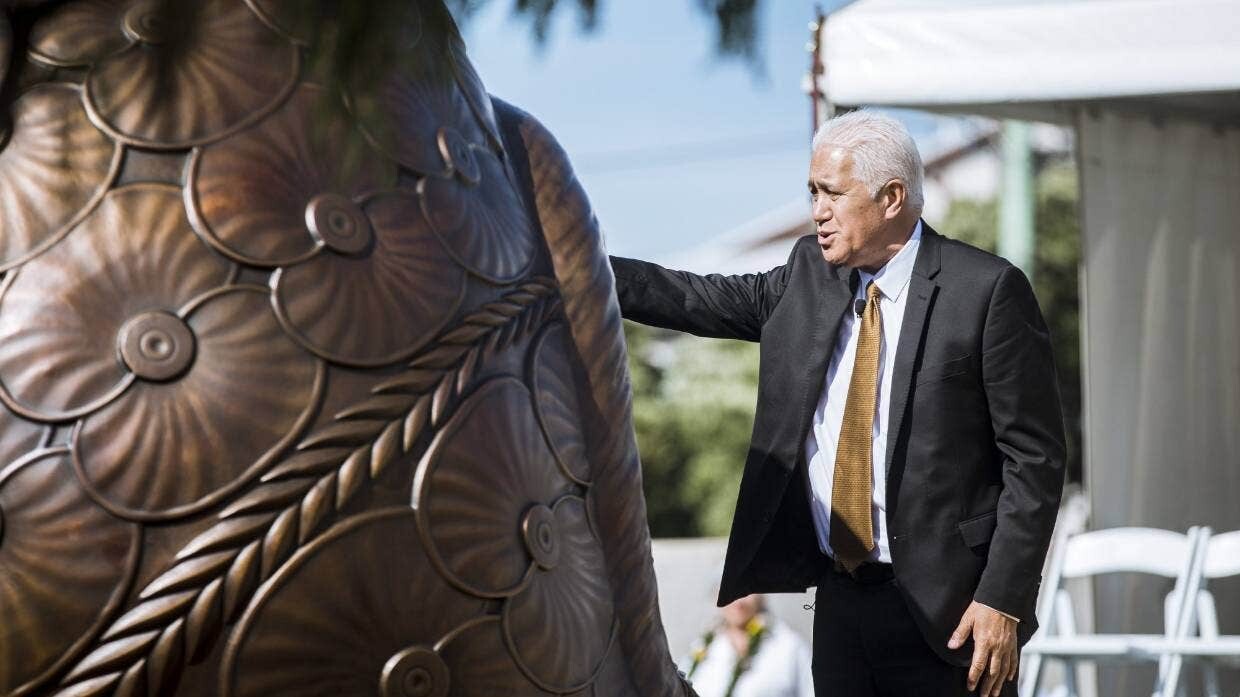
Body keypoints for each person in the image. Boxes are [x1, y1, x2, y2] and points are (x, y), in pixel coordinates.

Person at [610, 110, 1066, 697]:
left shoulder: (987, 291)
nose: (817, 211)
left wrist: (1002, 599)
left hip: (956, 618)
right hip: (841, 602)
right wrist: (578, 263)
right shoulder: (808, 274)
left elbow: (1035, 461)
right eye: (812, 193)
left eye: (832, 193)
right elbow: (696, 298)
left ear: (892, 197)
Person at [680, 594, 814, 697]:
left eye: (746, 591)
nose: (739, 601)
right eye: (729, 588)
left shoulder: (789, 646)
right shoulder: (702, 648)